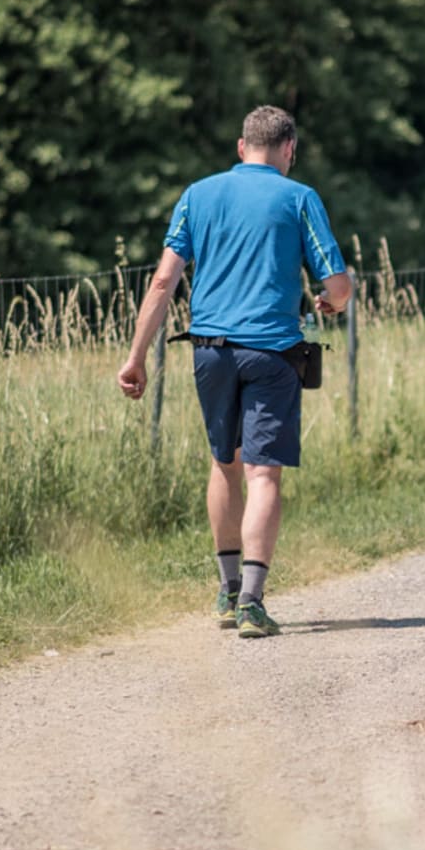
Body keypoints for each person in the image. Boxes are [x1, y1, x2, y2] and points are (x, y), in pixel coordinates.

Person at [118, 104, 353, 639]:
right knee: (263, 473)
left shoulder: (197, 195)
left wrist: (135, 357)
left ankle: (225, 592)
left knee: (224, 464)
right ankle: (252, 601)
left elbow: (163, 282)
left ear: (240, 145)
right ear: (289, 150)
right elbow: (335, 283)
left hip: (210, 351)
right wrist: (333, 300)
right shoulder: (299, 198)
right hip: (272, 353)